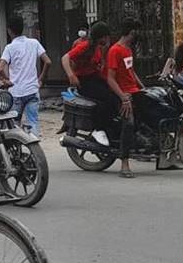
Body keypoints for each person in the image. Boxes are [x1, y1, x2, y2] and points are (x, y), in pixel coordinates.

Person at [62, 21, 116, 146]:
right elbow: (65, 58)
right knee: (106, 99)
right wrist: (71, 75)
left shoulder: (99, 48)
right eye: (106, 37)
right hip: (84, 81)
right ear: (101, 37)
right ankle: (98, 129)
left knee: (116, 95)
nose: (108, 39)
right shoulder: (85, 46)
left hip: (94, 77)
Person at [0, 14, 50, 136]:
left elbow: (0, 69)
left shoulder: (9, 48)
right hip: (32, 89)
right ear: (22, 28)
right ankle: (34, 151)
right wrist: (41, 79)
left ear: (9, 30)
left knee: (14, 125)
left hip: (16, 92)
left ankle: (17, 151)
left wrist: (7, 80)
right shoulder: (34, 43)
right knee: (33, 122)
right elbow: (48, 61)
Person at [107, 19, 148, 178]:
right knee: (128, 124)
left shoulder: (128, 50)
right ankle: (124, 164)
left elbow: (131, 71)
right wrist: (124, 98)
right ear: (131, 32)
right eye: (136, 32)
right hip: (122, 94)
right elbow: (110, 78)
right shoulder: (115, 50)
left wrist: (143, 87)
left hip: (134, 91)